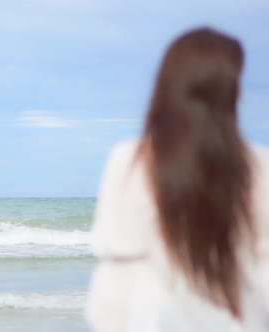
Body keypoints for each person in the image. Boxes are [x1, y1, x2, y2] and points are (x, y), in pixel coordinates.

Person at [86, 27, 269, 332]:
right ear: (226, 92)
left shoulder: (130, 160)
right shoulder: (259, 164)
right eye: (236, 84)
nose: (242, 93)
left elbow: (113, 278)